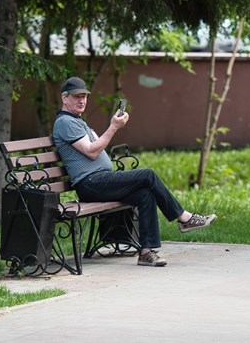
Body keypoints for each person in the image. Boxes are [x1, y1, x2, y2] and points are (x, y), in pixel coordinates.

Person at [52, 77, 217, 267]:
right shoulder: (65, 122)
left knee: (145, 194)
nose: (82, 100)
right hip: (90, 183)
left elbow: (98, 146)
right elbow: (92, 151)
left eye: (84, 97)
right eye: (76, 97)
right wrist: (113, 127)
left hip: (101, 180)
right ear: (65, 98)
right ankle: (184, 218)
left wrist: (110, 129)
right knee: (148, 175)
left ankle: (146, 252)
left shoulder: (77, 121)